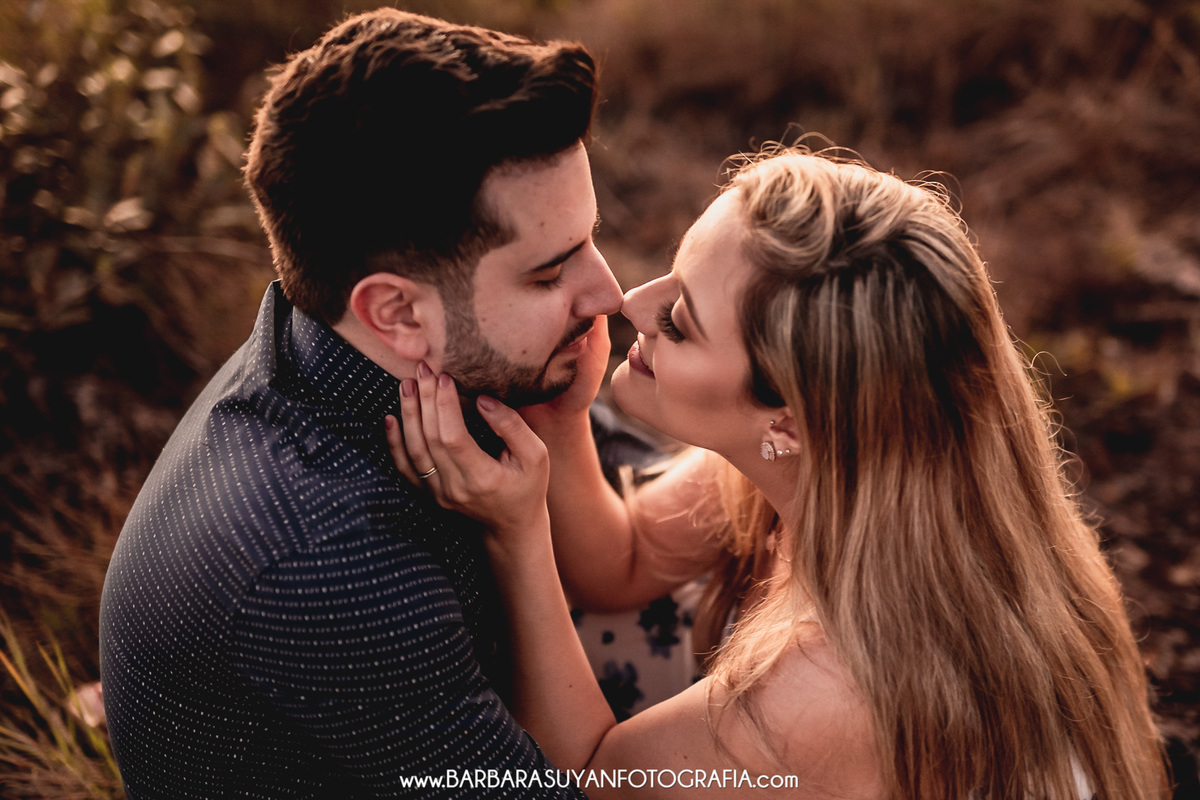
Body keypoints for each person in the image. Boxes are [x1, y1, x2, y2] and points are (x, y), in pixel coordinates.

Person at [388, 145, 1171, 799]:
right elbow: (623, 563)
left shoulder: (828, 689)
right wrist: (562, 423)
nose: (631, 302)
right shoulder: (866, 465)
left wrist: (516, 534)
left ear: (787, 420)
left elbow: (586, 782)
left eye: (680, 321)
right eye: (672, 272)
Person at [98, 8, 627, 797]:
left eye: (590, 238)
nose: (610, 293)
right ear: (397, 312)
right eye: (550, 273)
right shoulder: (331, 560)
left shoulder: (333, 350)